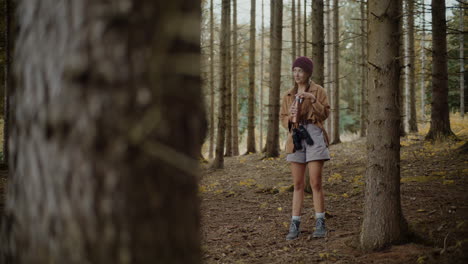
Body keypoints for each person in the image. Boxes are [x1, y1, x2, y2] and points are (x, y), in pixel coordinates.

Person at [279, 56, 331, 240]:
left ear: (308, 72)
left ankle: (320, 222)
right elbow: (283, 117)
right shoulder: (288, 94)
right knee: (298, 184)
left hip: (314, 134)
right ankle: (295, 224)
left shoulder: (319, 90)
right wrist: (291, 119)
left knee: (315, 182)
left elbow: (325, 113)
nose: (297, 74)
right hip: (296, 136)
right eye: (294, 70)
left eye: (300, 71)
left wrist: (312, 99)